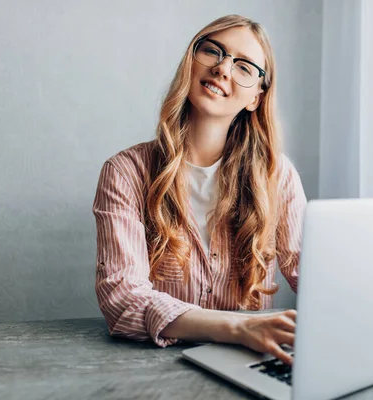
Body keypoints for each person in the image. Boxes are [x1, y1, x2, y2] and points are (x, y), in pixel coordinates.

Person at [92, 15, 306, 365]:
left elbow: (308, 274)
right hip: (154, 367)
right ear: (190, 61)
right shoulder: (125, 172)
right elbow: (123, 299)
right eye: (213, 51)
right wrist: (238, 328)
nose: (223, 68)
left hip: (248, 365)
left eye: (245, 67)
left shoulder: (277, 176)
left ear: (256, 97)